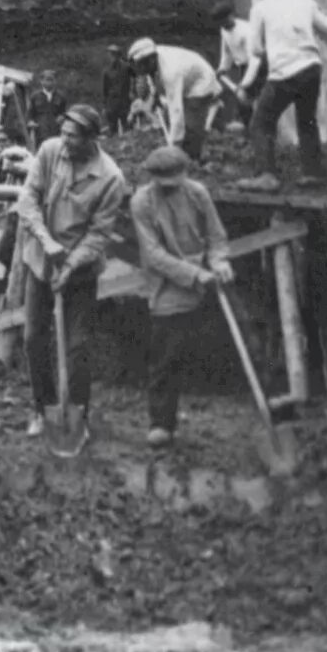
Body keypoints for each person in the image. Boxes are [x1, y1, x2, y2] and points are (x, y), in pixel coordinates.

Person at [14, 103, 127, 440]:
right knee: (34, 337)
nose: (64, 141)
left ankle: (78, 413)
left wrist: (72, 264)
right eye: (62, 133)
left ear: (92, 139)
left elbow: (99, 234)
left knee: (77, 347)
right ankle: (41, 407)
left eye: (72, 137)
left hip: (80, 272)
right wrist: (46, 241)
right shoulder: (49, 151)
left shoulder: (110, 178)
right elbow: (28, 200)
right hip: (40, 261)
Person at [130, 146, 234, 447]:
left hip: (206, 273)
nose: (171, 188)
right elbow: (153, 255)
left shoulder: (198, 193)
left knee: (240, 333)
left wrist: (219, 261)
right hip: (167, 284)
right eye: (164, 183)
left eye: (176, 181)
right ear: (152, 178)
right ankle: (162, 422)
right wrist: (191, 274)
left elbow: (216, 235)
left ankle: (274, 410)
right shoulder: (142, 203)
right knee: (166, 355)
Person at [235, 0, 327, 192]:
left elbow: (255, 50)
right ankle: (313, 173)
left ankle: (267, 175)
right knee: (307, 120)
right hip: (312, 67)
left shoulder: (259, 8)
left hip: (284, 72)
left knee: (261, 123)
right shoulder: (304, 0)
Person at [127, 37, 217, 162]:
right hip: (185, 79)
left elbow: (176, 111)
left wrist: (172, 146)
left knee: (191, 123)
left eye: (141, 65)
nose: (139, 69)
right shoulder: (152, 61)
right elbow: (152, 79)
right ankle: (180, 152)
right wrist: (155, 94)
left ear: (150, 60)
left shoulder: (171, 72)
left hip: (201, 82)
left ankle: (192, 160)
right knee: (168, 118)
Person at [213, 5, 257, 130]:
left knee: (247, 98)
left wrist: (245, 83)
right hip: (242, 67)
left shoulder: (246, 30)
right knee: (243, 101)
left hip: (255, 66)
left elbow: (253, 58)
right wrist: (223, 68)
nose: (223, 26)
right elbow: (227, 52)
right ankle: (249, 131)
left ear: (231, 16)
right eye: (220, 23)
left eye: (225, 21)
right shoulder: (224, 30)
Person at [26, 71, 68, 146]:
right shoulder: (35, 96)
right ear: (41, 81)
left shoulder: (61, 97)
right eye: (47, 80)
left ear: (55, 81)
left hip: (55, 131)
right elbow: (30, 113)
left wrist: (62, 117)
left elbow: (64, 113)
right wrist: (30, 122)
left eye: (52, 80)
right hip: (40, 130)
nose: (49, 82)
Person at [100, 47, 134, 137]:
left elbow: (135, 77)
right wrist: (104, 106)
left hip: (125, 101)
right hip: (112, 103)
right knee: (112, 129)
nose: (112, 57)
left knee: (127, 127)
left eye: (114, 54)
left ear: (119, 55)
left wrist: (132, 92)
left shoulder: (126, 68)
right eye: (111, 55)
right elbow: (105, 90)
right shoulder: (106, 71)